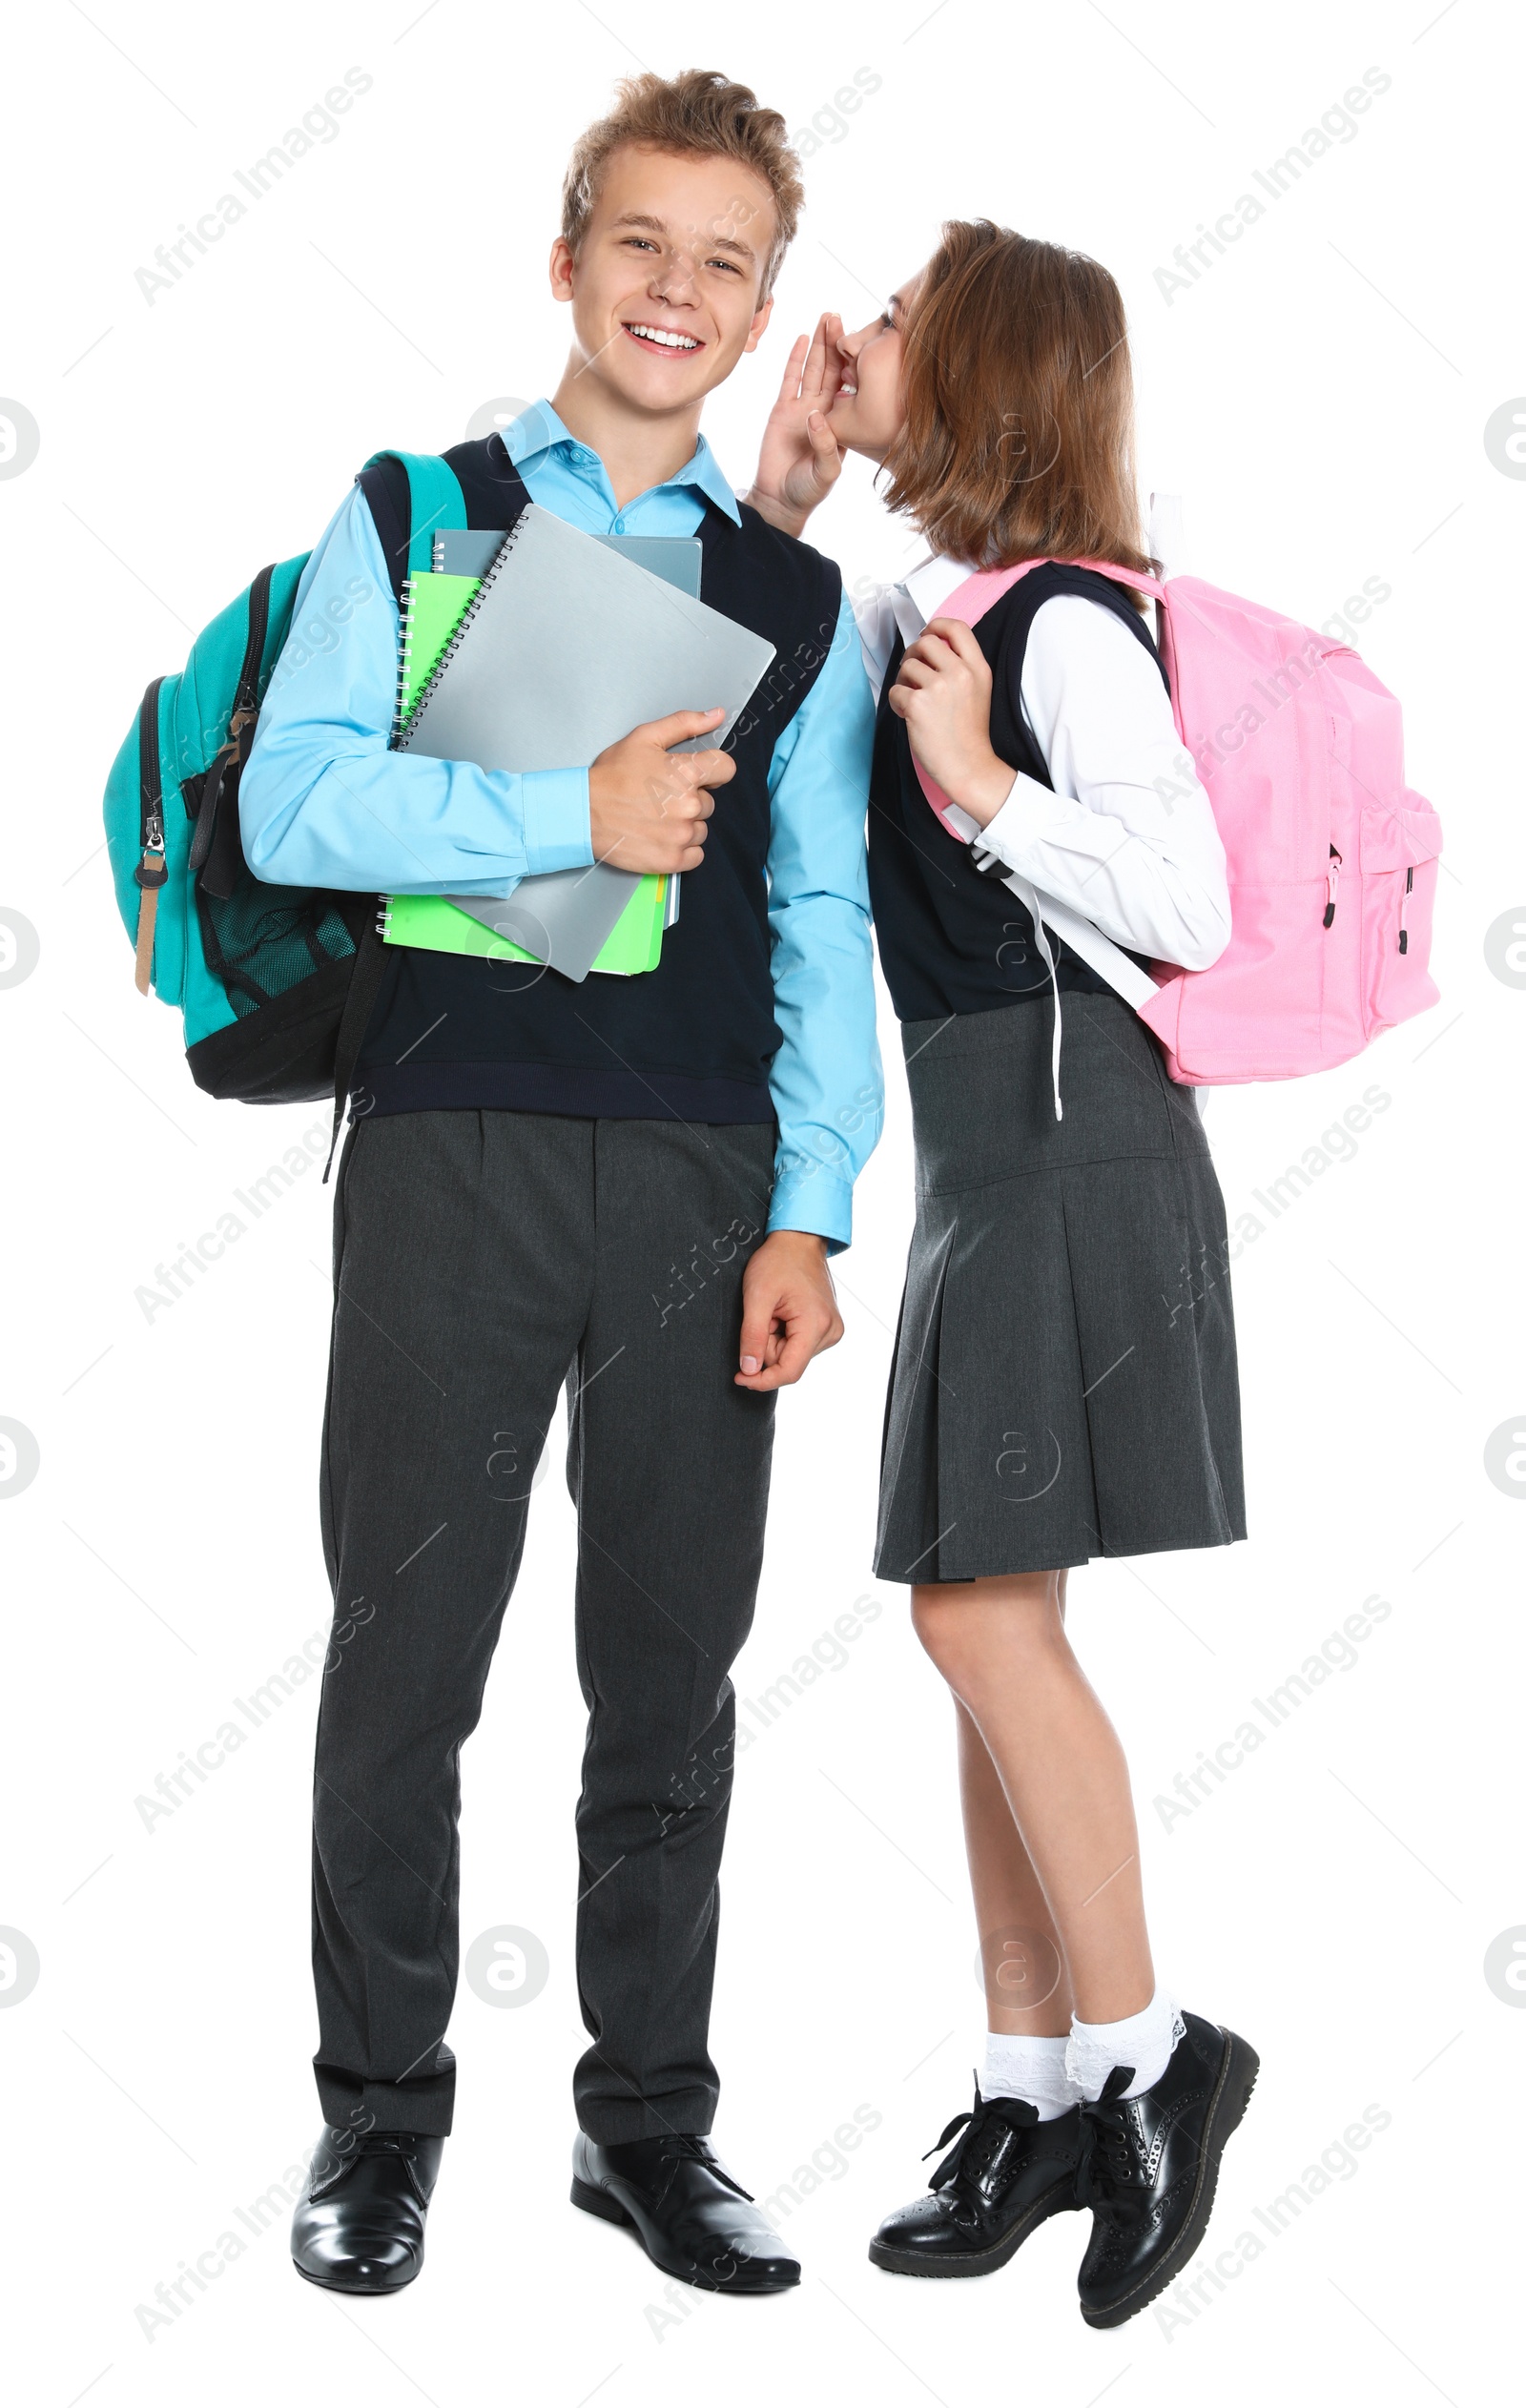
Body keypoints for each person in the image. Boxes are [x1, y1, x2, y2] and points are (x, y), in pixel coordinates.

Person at [239, 71, 881, 2298]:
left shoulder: (792, 593)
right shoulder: (409, 512)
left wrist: (810, 1204)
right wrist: (559, 819)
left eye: (723, 260)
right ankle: (378, 2129)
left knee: (669, 1674)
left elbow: (817, 918)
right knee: (404, 1658)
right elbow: (296, 807)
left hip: (705, 1173)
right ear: (565, 256)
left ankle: (648, 2130)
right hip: (449, 1148)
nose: (675, 291)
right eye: (639, 242)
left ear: (761, 296)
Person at [745, 220, 1256, 2328]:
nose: (854, 336)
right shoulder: (929, 604)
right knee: (983, 1610)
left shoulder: (1053, 632)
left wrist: (975, 789)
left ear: (985, 381)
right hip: (988, 1152)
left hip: (1062, 1141)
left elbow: (1190, 901)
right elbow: (753, 628)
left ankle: (1154, 2065)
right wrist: (785, 462)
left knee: (971, 1609)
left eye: (896, 328)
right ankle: (1030, 2087)